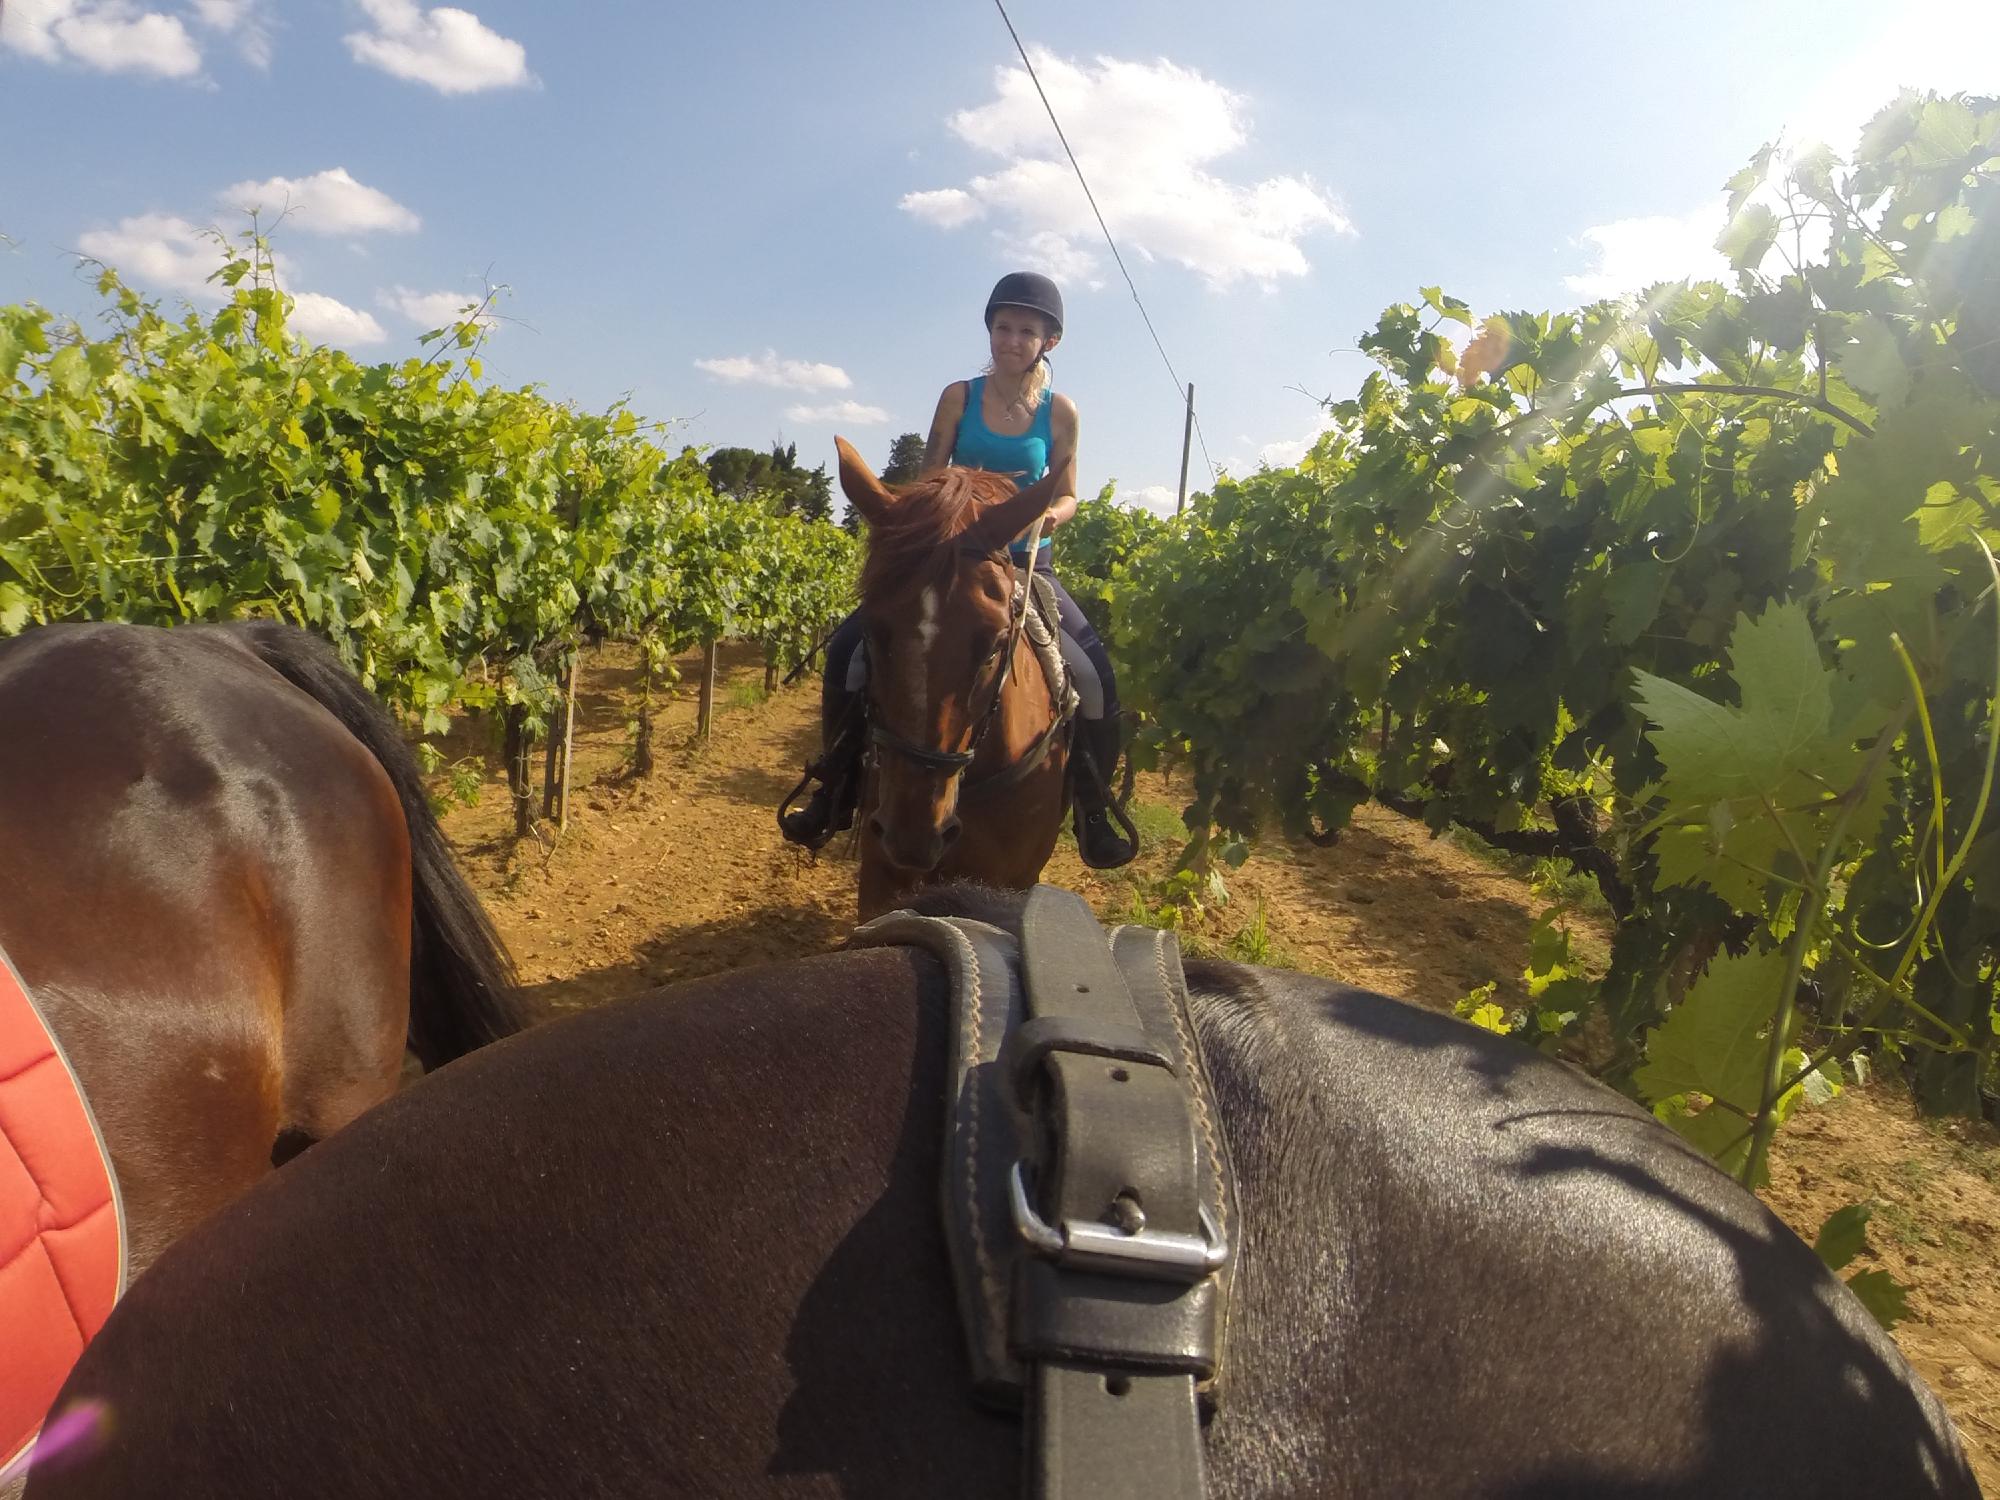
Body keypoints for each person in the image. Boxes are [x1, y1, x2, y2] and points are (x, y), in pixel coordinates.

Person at [779, 271, 1138, 869]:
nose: (1013, 339)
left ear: (1049, 341)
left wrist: (1046, 518)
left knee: (1094, 673)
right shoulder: (958, 397)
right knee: (849, 651)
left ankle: (1094, 809)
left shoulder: (1061, 412)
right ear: (990, 331)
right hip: (949, 558)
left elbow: (1070, 493)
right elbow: (930, 474)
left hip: (1023, 560)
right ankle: (833, 789)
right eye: (1003, 327)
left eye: (1027, 330)